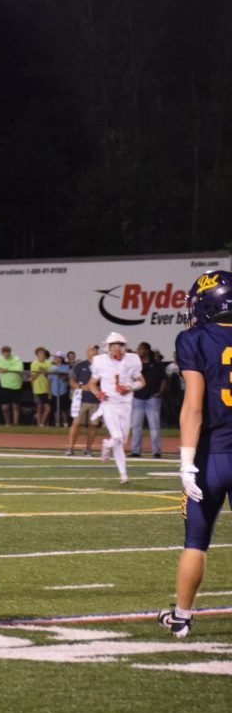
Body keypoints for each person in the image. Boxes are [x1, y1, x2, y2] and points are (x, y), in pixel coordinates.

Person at [159, 270, 232, 639]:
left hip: (212, 456)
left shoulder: (195, 338)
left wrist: (187, 463)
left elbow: (193, 407)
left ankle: (183, 617)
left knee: (196, 542)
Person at [86, 332, 145, 485]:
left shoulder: (131, 360)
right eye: (114, 345)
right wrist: (98, 394)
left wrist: (129, 387)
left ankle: (110, 448)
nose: (117, 348)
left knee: (121, 440)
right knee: (117, 437)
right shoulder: (100, 361)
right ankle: (123, 473)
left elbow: (141, 382)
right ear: (108, 347)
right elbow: (92, 384)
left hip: (125, 405)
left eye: (119, 345)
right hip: (109, 404)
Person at [130, 342, 167, 458]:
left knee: (154, 426)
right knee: (136, 426)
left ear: (146, 350)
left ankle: (156, 451)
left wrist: (160, 393)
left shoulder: (157, 365)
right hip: (138, 398)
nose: (138, 351)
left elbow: (164, 380)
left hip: (152, 399)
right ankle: (136, 451)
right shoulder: (136, 366)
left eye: (140, 349)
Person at [67, 344, 102, 455]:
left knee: (93, 424)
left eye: (96, 350)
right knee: (76, 423)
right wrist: (81, 387)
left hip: (95, 399)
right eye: (92, 350)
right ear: (87, 352)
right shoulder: (80, 365)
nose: (94, 352)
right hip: (81, 399)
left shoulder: (102, 366)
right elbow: (72, 381)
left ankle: (88, 448)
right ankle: (71, 448)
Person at [0, 345, 24, 426]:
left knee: (15, 406)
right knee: (5, 407)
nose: (6, 354)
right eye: (4, 353)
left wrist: (7, 369)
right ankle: (7, 423)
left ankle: (15, 424)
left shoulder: (16, 358)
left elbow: (20, 368)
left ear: (10, 352)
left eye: (7, 352)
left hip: (16, 386)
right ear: (2, 353)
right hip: (5, 386)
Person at [49, 351, 71, 427]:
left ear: (60, 359)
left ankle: (65, 424)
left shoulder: (66, 367)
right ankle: (57, 424)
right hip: (54, 391)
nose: (54, 358)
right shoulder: (51, 367)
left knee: (63, 410)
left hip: (63, 391)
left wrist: (58, 372)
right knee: (55, 410)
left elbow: (65, 378)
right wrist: (49, 392)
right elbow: (50, 380)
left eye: (56, 357)